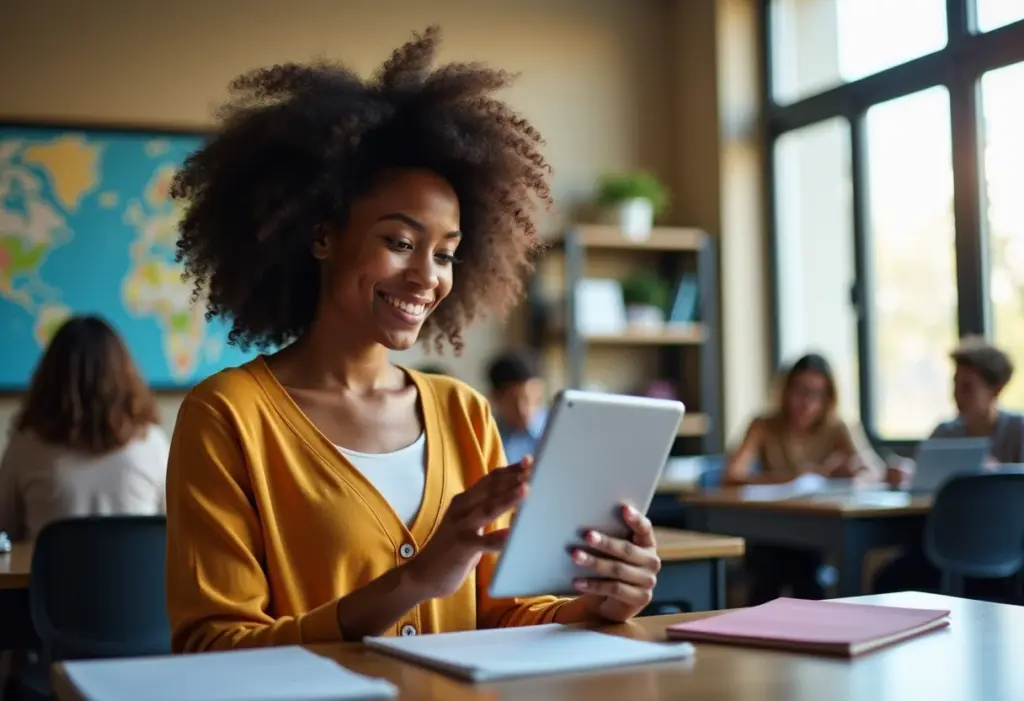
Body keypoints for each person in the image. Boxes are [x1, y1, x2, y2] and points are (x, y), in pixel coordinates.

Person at [165, 26, 661, 653]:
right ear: (323, 237)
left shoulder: (463, 413)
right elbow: (210, 645)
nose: (428, 277)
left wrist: (597, 602)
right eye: (399, 242)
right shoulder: (227, 416)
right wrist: (416, 580)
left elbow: (501, 615)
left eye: (447, 254)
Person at [723, 353, 883, 604]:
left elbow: (874, 469)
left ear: (829, 398)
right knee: (774, 567)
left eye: (817, 394)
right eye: (800, 391)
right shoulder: (763, 425)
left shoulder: (838, 426)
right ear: (785, 391)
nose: (807, 403)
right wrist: (791, 477)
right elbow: (731, 476)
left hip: (816, 535)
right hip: (769, 530)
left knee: (803, 568)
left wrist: (853, 476)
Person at [0, 315, 168, 542]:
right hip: (137, 578)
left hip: (53, 578)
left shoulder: (25, 447)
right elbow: (176, 529)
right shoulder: (152, 444)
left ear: (50, 376)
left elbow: (5, 530)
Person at [874, 338, 1022, 596]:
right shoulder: (945, 431)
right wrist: (906, 472)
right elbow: (922, 476)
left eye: (967, 387)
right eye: (954, 384)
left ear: (995, 390)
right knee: (888, 576)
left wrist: (995, 471)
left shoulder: (1018, 430)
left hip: (1004, 549)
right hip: (941, 545)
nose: (956, 395)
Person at [487, 349, 547, 465]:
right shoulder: (488, 439)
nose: (523, 410)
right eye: (513, 402)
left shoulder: (562, 431)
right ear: (495, 397)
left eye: (533, 400)